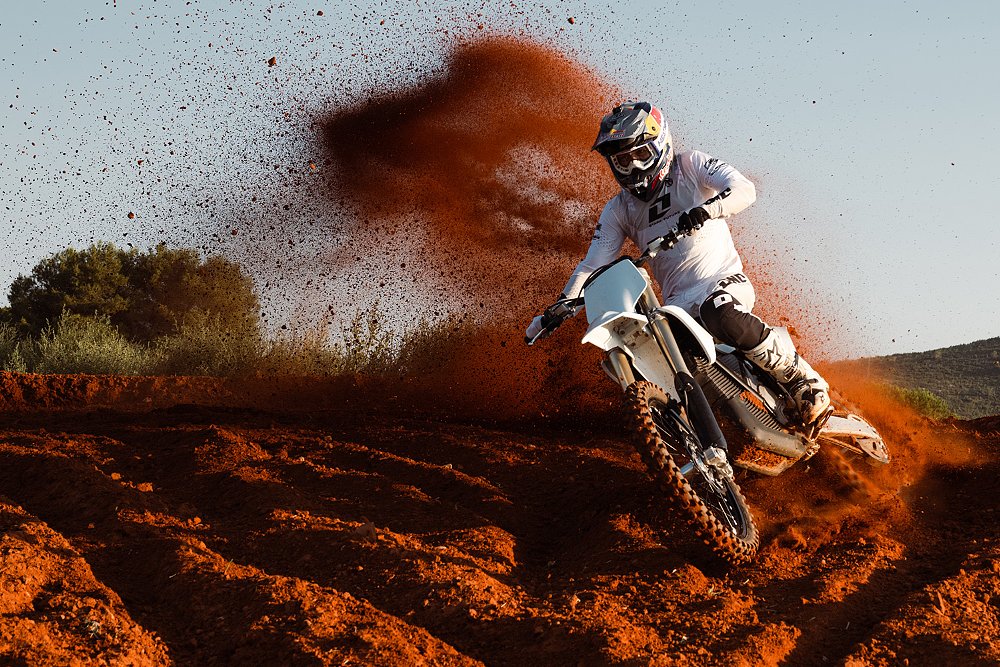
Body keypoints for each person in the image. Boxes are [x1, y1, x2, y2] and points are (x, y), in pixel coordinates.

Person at [525, 101, 831, 425]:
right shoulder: (619, 210)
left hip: (721, 282)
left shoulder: (690, 165)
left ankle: (805, 381)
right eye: (623, 161)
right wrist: (560, 306)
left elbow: (745, 189)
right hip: (678, 308)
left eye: (640, 155)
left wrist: (708, 209)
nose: (633, 169)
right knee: (656, 355)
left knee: (720, 311)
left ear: (660, 144)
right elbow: (592, 264)